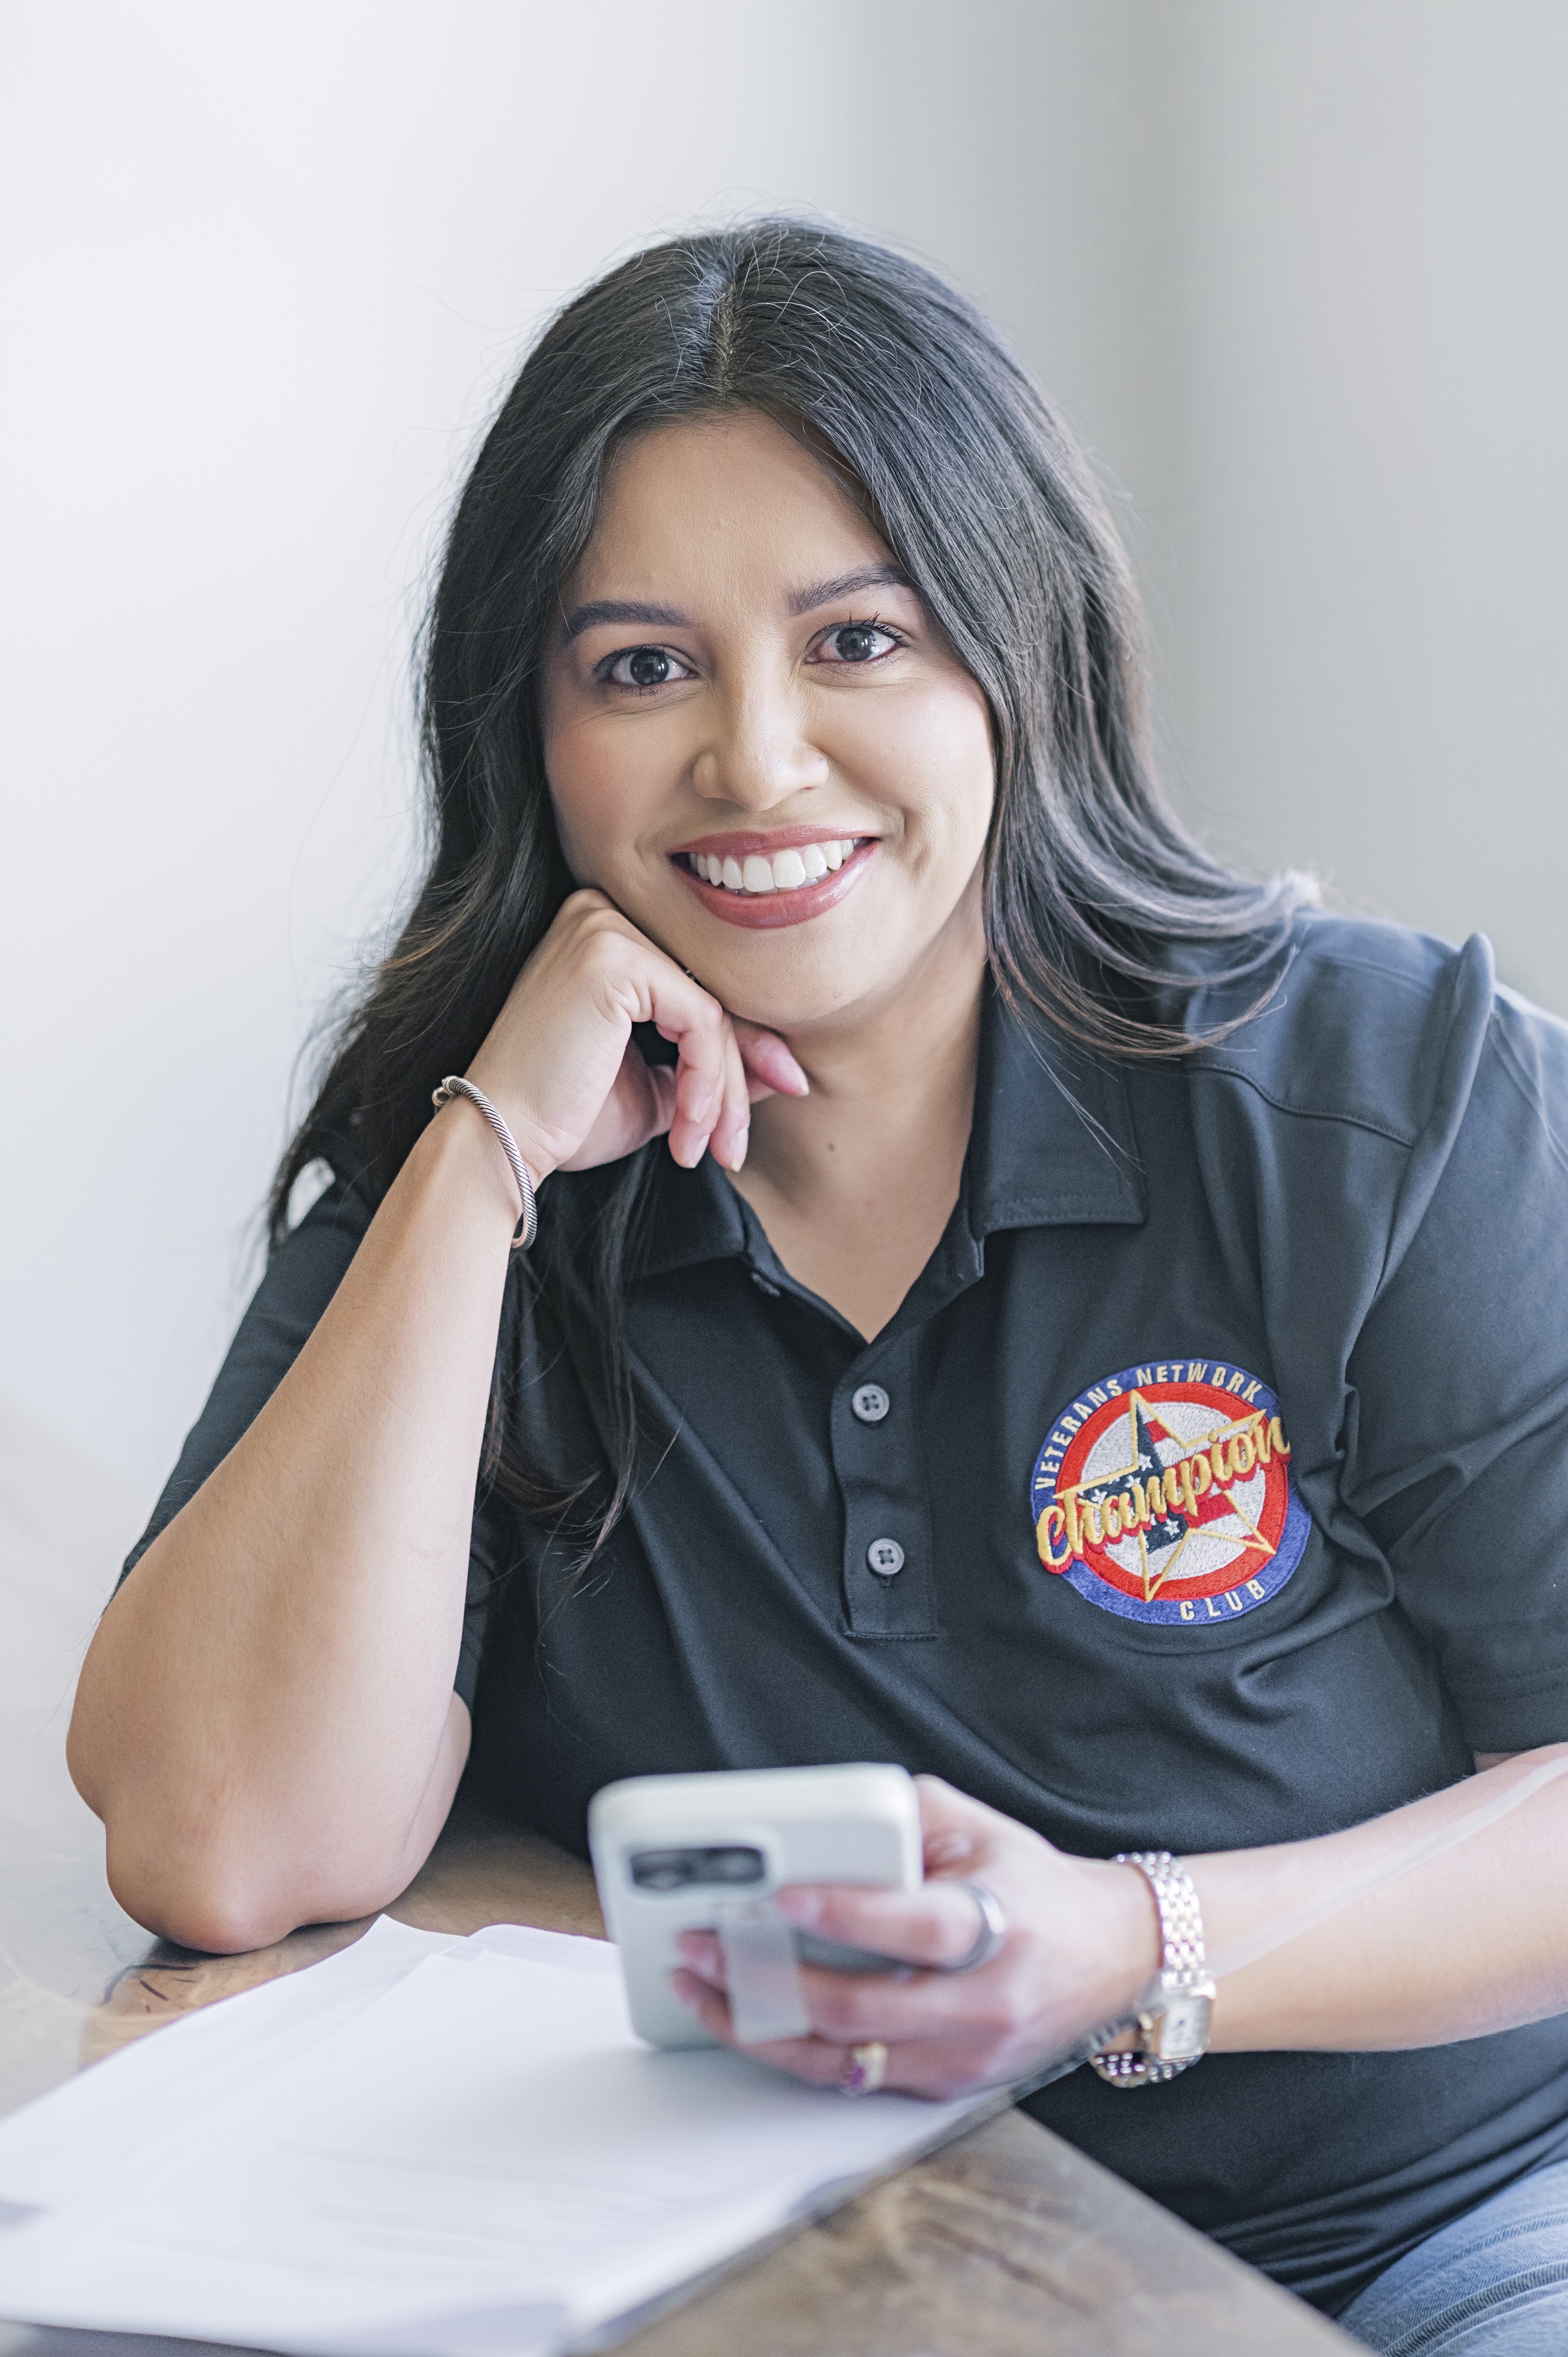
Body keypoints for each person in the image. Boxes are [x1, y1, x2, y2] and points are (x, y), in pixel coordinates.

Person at [68, 222, 1568, 2348]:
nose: (756, 764)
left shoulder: (1384, 1092)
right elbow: (221, 1847)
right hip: (812, 2270)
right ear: (534, 730)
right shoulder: (485, 1163)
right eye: (640, 666)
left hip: (1442, 2245)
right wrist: (479, 1159)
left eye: (855, 640)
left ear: (1009, 658)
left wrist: (1127, 1941)